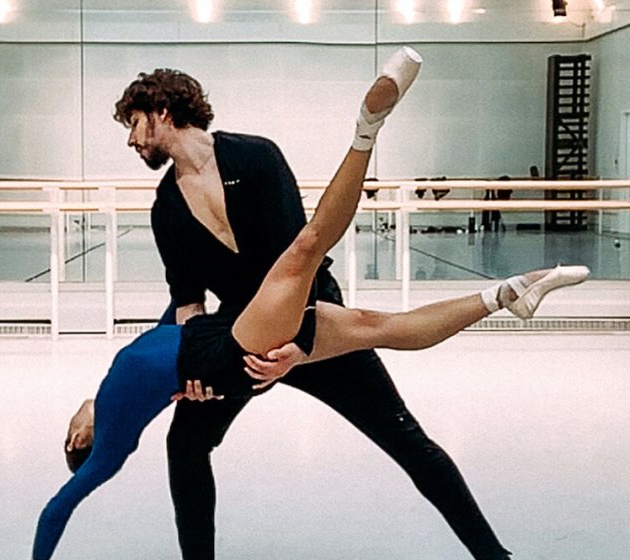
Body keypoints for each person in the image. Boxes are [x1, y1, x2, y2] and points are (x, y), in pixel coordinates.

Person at [31, 48, 589, 560]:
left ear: (161, 110)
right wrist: (192, 372)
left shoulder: (255, 156)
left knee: (407, 440)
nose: (131, 142)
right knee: (185, 446)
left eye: (132, 125)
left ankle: (495, 556)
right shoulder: (165, 208)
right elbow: (187, 304)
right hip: (238, 340)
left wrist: (297, 349)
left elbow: (304, 254)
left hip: (312, 322)